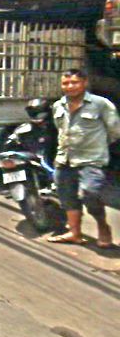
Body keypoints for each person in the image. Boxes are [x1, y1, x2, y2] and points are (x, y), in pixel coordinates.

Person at [48, 68, 120, 247]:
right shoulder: (58, 106)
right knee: (67, 197)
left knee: (90, 193)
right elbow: (60, 130)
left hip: (91, 160)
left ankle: (103, 227)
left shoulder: (101, 104)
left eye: (74, 82)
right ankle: (74, 232)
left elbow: (114, 131)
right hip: (64, 159)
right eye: (65, 83)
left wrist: (97, 146)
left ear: (84, 83)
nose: (70, 86)